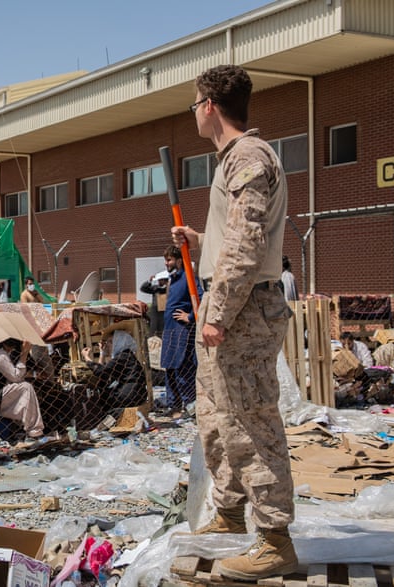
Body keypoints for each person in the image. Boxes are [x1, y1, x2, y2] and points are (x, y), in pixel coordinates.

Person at [171, 64, 296, 580]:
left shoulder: (247, 156)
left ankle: (274, 540)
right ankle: (229, 511)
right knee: (218, 418)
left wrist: (217, 311)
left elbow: (249, 243)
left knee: (250, 421)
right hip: (233, 305)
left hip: (242, 310)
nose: (194, 113)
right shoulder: (234, 160)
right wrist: (200, 242)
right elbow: (235, 237)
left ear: (208, 106)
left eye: (194, 104)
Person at [160, 245, 201, 416]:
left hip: (182, 330)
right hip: (170, 329)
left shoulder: (188, 277)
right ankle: (174, 405)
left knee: (183, 368)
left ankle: (190, 406)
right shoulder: (173, 279)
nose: (166, 263)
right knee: (169, 367)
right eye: (165, 260)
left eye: (169, 260)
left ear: (178, 260)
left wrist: (190, 316)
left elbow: (201, 298)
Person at [0, 339, 45, 440]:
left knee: (26, 387)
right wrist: (24, 353)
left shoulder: (1, 353)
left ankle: (24, 428)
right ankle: (34, 432)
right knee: (26, 387)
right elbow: (16, 377)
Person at [140, 270, 170, 337]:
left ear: (164, 280)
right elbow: (143, 288)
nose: (158, 282)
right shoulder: (155, 288)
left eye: (160, 280)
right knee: (154, 329)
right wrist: (149, 281)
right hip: (155, 312)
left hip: (165, 312)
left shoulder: (170, 288)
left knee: (164, 329)